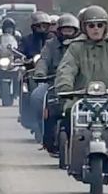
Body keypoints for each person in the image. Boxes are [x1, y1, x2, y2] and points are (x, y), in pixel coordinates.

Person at [54, 5, 108, 155]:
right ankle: (74, 151)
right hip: (81, 96)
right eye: (91, 25)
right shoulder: (75, 47)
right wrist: (65, 88)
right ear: (84, 27)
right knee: (68, 113)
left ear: (105, 27)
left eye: (100, 25)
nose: (95, 29)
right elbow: (66, 69)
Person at [32, 12, 79, 148]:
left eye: (70, 30)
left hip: (77, 83)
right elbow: (44, 59)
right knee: (37, 96)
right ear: (58, 31)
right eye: (64, 29)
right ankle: (41, 129)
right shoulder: (50, 44)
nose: (67, 33)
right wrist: (40, 73)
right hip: (53, 81)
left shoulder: (80, 44)